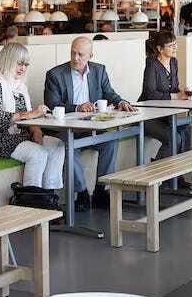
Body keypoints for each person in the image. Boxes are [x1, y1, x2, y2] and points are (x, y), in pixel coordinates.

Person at [44, 37, 134, 210]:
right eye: (73, 53)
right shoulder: (55, 74)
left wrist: (121, 101)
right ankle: (82, 193)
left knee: (110, 141)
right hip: (68, 128)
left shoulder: (99, 71)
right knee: (70, 147)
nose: (75, 58)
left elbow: (109, 93)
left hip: (93, 125)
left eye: (80, 54)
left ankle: (101, 190)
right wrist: (78, 107)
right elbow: (52, 103)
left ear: (90, 56)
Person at [0, 43, 64, 190]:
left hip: (19, 137)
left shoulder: (19, 86)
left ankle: (48, 193)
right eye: (19, 63)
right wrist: (32, 114)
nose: (22, 68)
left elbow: (29, 117)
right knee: (38, 153)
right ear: (7, 60)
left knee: (57, 145)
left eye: (25, 64)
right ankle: (32, 200)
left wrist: (36, 131)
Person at [139, 31, 192, 160]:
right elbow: (150, 93)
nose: (175, 48)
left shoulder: (173, 62)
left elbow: (174, 88)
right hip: (148, 116)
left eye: (175, 44)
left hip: (164, 114)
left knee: (187, 130)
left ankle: (179, 174)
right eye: (171, 46)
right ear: (160, 49)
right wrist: (176, 96)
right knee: (174, 138)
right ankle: (158, 173)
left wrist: (184, 94)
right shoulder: (152, 65)